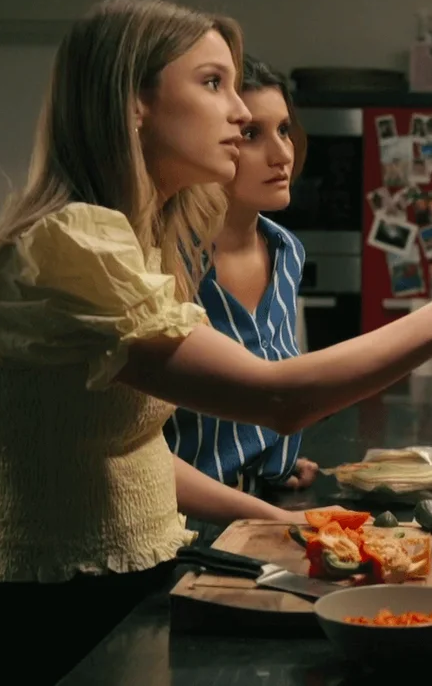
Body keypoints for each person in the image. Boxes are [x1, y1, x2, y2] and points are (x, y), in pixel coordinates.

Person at [0, 0, 432, 686]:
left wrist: (282, 520)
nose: (239, 113)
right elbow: (278, 400)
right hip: (57, 630)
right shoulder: (70, 244)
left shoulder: (128, 243)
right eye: (213, 83)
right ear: (134, 102)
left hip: (129, 601)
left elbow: (132, 455)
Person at [163, 55, 318, 530]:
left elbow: (263, 380)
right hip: (175, 529)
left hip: (254, 512)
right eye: (252, 134)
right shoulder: (166, 261)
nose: (281, 154)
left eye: (284, 130)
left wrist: (273, 459)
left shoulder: (287, 251)